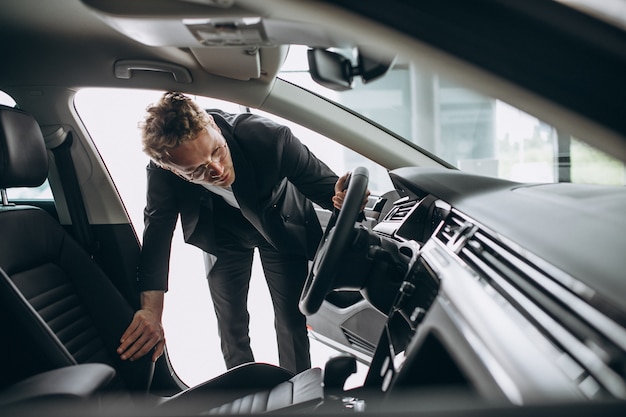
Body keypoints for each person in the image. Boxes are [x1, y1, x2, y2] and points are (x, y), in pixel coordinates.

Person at [116, 91, 355, 374]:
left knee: (292, 320)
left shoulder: (270, 137)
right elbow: (157, 234)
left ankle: (299, 392)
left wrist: (341, 197)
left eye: (217, 151)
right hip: (221, 232)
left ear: (215, 127)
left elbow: (327, 188)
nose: (217, 170)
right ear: (174, 171)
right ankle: (243, 389)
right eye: (198, 171)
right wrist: (152, 312)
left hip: (278, 225)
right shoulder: (162, 171)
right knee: (231, 326)